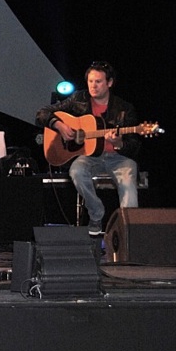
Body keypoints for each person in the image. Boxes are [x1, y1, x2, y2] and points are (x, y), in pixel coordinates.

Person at [36, 61, 140, 236]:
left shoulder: (124, 109)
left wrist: (118, 143)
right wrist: (59, 125)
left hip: (118, 158)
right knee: (76, 171)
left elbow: (134, 146)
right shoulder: (79, 99)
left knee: (128, 181)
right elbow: (42, 113)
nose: (93, 86)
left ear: (109, 83)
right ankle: (96, 213)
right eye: (90, 81)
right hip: (90, 156)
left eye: (98, 81)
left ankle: (129, 230)